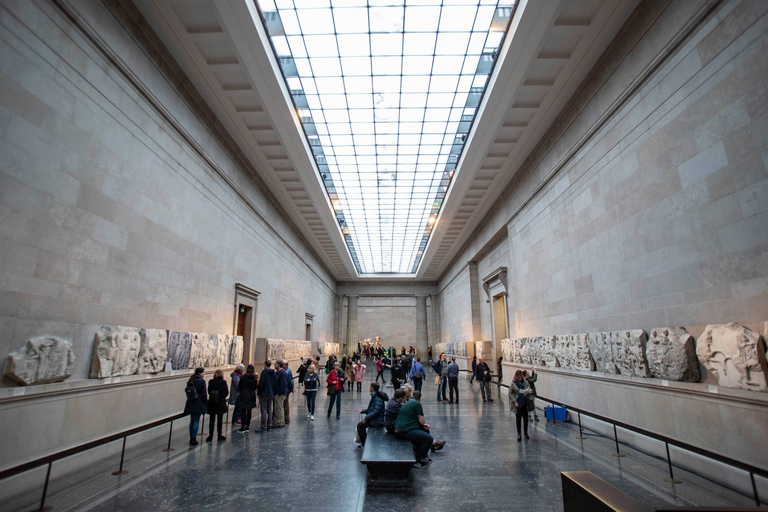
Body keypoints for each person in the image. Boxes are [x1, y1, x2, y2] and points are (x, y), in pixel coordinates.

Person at [394, 391, 441, 468]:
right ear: (419, 398)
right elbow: (421, 421)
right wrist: (423, 424)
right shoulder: (417, 404)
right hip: (405, 430)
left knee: (424, 432)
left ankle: (423, 456)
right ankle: (417, 459)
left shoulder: (408, 403)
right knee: (429, 439)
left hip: (399, 428)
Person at [356, 382, 388, 447]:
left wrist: (366, 418)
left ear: (372, 388)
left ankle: (364, 444)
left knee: (360, 426)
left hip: (376, 421)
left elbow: (376, 411)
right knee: (360, 425)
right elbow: (372, 409)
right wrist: (364, 411)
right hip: (375, 419)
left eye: (370, 387)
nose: (369, 388)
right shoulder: (375, 396)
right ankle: (364, 443)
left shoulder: (377, 398)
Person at [184, 367, 207, 445]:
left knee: (192, 420)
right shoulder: (201, 381)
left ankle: (191, 437)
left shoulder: (191, 380)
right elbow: (204, 394)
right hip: (198, 403)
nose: (204, 374)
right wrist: (205, 403)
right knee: (196, 421)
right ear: (200, 373)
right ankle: (193, 438)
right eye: (203, 372)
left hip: (191, 403)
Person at [206, 369, 229, 442]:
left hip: (212, 402)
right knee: (220, 420)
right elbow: (226, 392)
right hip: (220, 402)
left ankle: (211, 435)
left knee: (212, 420)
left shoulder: (211, 382)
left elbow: (209, 391)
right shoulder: (223, 382)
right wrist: (222, 397)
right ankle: (219, 435)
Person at [509, 370, 532, 441]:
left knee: (525, 419)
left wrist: (528, 391)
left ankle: (525, 432)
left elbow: (530, 389)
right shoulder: (513, 384)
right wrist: (514, 402)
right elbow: (510, 393)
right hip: (517, 403)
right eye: (518, 378)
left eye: (521, 377)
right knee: (518, 419)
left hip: (525, 402)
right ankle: (519, 433)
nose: (520, 379)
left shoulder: (525, 382)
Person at [237, 364, 258, 433]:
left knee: (243, 411)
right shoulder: (254, 378)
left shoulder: (243, 377)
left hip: (244, 394)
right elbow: (255, 387)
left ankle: (242, 427)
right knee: (249, 411)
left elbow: (239, 386)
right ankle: (247, 427)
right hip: (251, 395)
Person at [257, 360, 276, 432]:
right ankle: (269, 425)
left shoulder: (264, 372)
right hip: (271, 393)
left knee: (264, 410)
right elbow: (275, 382)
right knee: (270, 409)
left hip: (264, 393)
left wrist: (259, 393)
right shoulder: (273, 372)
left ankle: (263, 426)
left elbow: (261, 383)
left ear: (265, 365)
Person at [273, 361, 289, 428]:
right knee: (280, 407)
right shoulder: (280, 372)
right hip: (281, 393)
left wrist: (279, 393)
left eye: (275, 364)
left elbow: (282, 384)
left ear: (279, 365)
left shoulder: (282, 373)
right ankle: (281, 421)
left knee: (279, 407)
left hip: (280, 393)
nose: (274, 365)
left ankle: (279, 422)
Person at [283, 360, 294, 424]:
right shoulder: (287, 370)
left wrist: (291, 389)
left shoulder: (287, 371)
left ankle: (286, 418)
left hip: (286, 389)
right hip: (286, 389)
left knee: (285, 403)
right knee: (285, 403)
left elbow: (290, 381)